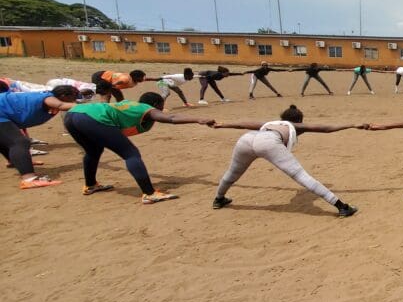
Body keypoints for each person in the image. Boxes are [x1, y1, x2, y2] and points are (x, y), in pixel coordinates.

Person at [210, 105, 360, 217]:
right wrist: (352, 125)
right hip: (269, 142)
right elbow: (326, 128)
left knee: (233, 172)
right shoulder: (295, 125)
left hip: (247, 139)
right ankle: (342, 207)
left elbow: (243, 124)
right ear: (299, 120)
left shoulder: (272, 123)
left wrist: (222, 124)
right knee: (301, 175)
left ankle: (219, 199)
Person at [64, 92, 215, 203]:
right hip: (91, 117)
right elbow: (171, 118)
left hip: (73, 115)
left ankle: (90, 185)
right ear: (156, 104)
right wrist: (198, 119)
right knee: (131, 154)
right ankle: (149, 193)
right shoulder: (146, 108)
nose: (162, 109)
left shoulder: (131, 106)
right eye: (161, 105)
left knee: (93, 151)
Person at [0, 86, 78, 189]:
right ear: (63, 96)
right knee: (20, 142)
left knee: (6, 137)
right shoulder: (48, 98)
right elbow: (61, 105)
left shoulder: (46, 98)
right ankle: (29, 180)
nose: (75, 100)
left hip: (3, 112)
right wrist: (90, 106)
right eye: (74, 97)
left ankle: (17, 161)